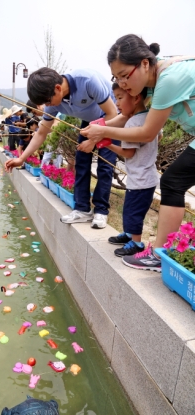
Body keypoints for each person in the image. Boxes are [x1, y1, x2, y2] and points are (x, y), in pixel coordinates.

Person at [80, 34, 195, 271]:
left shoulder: (168, 79)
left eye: (124, 76)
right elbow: (127, 118)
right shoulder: (151, 82)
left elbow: (146, 133)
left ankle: (160, 255)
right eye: (117, 78)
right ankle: (163, 253)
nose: (121, 84)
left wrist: (102, 134)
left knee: (173, 182)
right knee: (173, 182)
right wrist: (100, 127)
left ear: (144, 63)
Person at [5, 67, 118, 229]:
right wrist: (21, 158)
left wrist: (93, 140)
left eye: (48, 102)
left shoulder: (88, 81)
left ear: (58, 88)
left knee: (105, 164)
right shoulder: (53, 103)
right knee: (81, 161)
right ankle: (82, 209)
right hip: (90, 121)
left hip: (109, 118)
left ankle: (101, 210)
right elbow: (41, 133)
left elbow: (112, 114)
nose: (47, 106)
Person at [106, 83, 159, 257]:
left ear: (136, 97)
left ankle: (136, 243)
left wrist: (108, 145)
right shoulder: (151, 117)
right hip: (146, 177)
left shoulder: (132, 123)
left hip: (140, 180)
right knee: (131, 210)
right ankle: (129, 235)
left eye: (120, 98)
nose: (117, 103)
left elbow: (128, 153)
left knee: (133, 212)